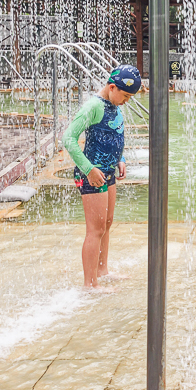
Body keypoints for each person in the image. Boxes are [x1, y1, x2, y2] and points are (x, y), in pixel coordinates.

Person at [62, 65, 140, 288]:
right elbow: (68, 138)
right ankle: (90, 284)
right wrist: (88, 169)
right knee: (95, 229)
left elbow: (114, 133)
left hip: (108, 171)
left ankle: (103, 270)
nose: (126, 101)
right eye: (125, 96)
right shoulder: (93, 106)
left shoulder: (114, 104)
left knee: (106, 223)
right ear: (112, 87)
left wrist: (121, 159)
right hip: (91, 174)